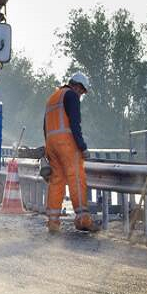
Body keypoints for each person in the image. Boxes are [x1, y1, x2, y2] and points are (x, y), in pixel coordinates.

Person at [43, 72, 98, 233]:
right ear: (76, 86)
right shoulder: (71, 96)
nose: (81, 95)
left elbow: (45, 126)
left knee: (57, 180)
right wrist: (82, 146)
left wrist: (48, 147)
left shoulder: (53, 98)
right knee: (76, 177)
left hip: (51, 144)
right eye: (81, 91)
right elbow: (75, 123)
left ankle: (53, 222)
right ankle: (83, 220)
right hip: (66, 143)